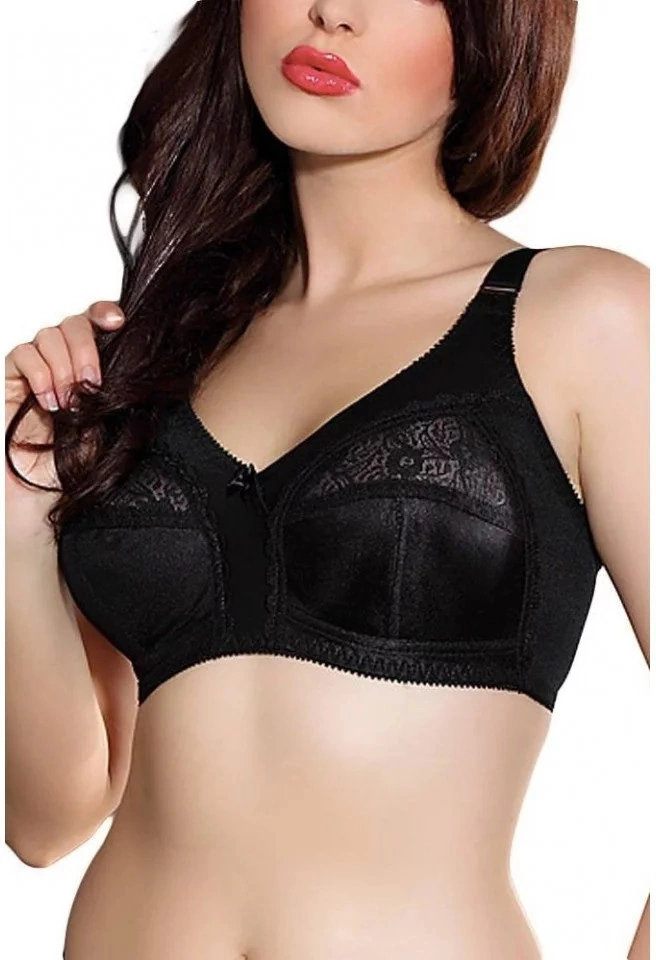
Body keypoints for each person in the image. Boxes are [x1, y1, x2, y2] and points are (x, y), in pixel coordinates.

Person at [5, 1, 649, 957]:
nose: (332, 12)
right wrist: (21, 518)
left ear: (494, 33)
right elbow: (46, 822)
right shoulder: (157, 358)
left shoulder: (586, 317)